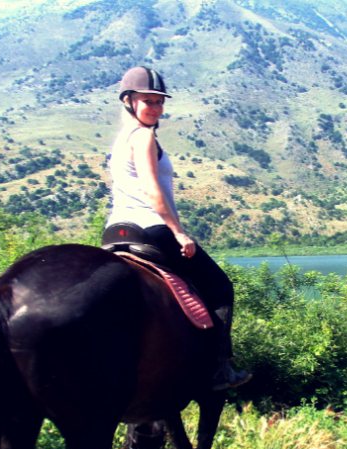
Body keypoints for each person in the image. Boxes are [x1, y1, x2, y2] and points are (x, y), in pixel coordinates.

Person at [102, 66, 251, 391]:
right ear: (128, 101)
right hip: (152, 228)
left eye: (159, 101)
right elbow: (153, 190)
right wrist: (179, 232)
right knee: (220, 287)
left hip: (116, 230)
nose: (155, 108)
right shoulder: (143, 136)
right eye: (148, 101)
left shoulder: (120, 139)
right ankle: (220, 369)